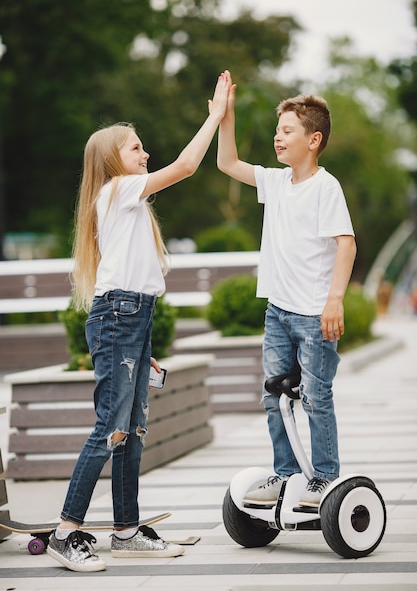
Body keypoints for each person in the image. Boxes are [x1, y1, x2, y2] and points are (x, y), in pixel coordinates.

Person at [47, 72, 230, 573]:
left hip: (133, 317)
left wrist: (141, 340)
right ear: (113, 160)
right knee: (110, 426)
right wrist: (215, 116)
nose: (144, 154)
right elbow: (188, 165)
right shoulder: (117, 191)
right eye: (136, 147)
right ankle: (67, 532)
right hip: (117, 316)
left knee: (132, 428)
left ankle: (126, 530)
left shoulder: (129, 203)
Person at [216, 70, 356, 509]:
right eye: (277, 131)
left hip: (314, 314)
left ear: (313, 140)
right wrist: (225, 115)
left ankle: (326, 479)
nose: (278, 138)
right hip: (277, 311)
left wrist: (335, 300)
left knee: (316, 397)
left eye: (288, 131)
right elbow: (226, 163)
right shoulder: (275, 184)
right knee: (274, 394)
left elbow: (346, 243)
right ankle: (287, 473)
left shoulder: (325, 187)